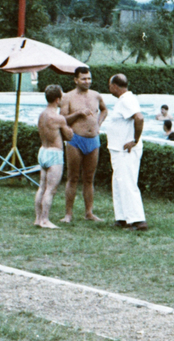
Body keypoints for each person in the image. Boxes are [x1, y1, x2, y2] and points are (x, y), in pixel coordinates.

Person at [58, 68, 110, 224]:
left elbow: (104, 110)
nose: (87, 81)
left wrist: (98, 123)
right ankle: (68, 214)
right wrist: (78, 114)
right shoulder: (68, 97)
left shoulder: (96, 95)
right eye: (83, 79)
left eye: (89, 78)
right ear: (75, 80)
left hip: (93, 139)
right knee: (72, 177)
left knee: (89, 178)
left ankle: (89, 212)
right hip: (75, 140)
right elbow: (62, 120)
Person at [103, 74, 148, 230]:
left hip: (126, 150)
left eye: (110, 85)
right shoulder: (123, 101)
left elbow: (139, 118)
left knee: (127, 183)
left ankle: (138, 220)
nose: (109, 89)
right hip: (118, 149)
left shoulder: (127, 100)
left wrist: (134, 140)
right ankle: (122, 217)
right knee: (118, 183)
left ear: (115, 86)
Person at [34, 84, 68, 228]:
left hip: (43, 151)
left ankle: (37, 218)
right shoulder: (58, 118)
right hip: (55, 154)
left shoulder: (42, 115)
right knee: (51, 189)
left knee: (42, 187)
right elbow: (69, 135)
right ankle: (45, 219)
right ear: (57, 99)